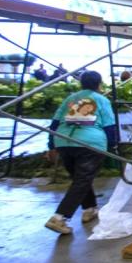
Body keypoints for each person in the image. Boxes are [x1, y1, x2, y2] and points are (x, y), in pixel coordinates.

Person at [44, 71, 117, 235]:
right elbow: (109, 126)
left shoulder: (70, 99)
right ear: (99, 84)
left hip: (63, 142)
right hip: (90, 144)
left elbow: (54, 123)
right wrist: (112, 147)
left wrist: (51, 145)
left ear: (81, 84)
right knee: (82, 180)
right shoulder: (101, 100)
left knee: (81, 179)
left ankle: (89, 208)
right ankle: (59, 217)